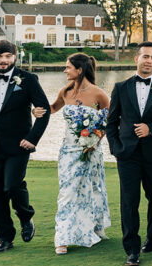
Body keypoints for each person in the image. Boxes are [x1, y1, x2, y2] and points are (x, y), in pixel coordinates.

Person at [106, 42, 152, 266]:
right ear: (136, 59)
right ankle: (132, 249)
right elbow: (111, 122)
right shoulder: (120, 87)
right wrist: (116, 149)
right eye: (145, 56)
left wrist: (151, 129)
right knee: (129, 201)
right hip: (127, 154)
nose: (149, 61)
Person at [0, 39, 51, 253]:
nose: (3, 61)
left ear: (15, 56)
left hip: (19, 145)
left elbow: (44, 110)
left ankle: (26, 216)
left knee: (12, 185)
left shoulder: (28, 80)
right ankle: (4, 238)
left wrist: (33, 138)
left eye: (8, 56)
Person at [40, 53, 112, 253]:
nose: (64, 70)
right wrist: (37, 110)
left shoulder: (99, 94)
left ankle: (94, 227)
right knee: (67, 192)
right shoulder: (66, 91)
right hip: (68, 151)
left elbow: (109, 121)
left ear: (79, 70)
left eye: (68, 67)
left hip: (91, 151)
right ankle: (62, 237)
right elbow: (53, 108)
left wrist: (96, 140)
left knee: (91, 189)